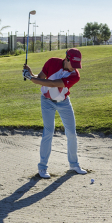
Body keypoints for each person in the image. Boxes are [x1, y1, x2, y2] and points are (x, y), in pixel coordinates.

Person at [24, 48, 86, 179]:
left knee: (71, 133)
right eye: (73, 64)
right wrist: (30, 74)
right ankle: (42, 168)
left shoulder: (75, 75)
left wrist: (31, 79)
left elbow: (52, 83)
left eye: (77, 66)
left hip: (64, 102)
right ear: (67, 58)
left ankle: (74, 165)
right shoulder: (52, 62)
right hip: (47, 101)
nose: (74, 68)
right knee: (49, 131)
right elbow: (40, 78)